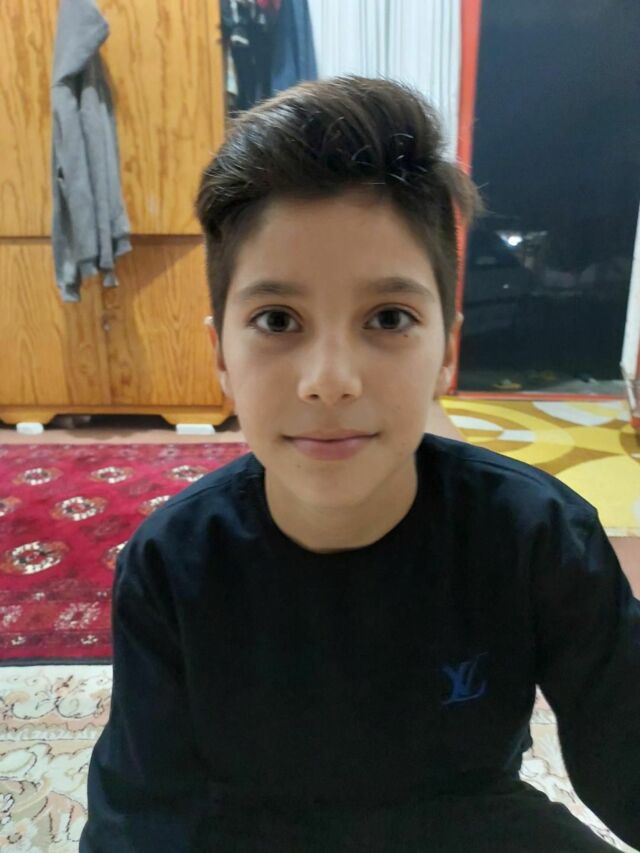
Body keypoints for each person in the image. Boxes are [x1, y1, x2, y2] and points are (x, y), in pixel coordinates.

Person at [79, 76, 640, 852]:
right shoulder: (174, 563)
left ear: (446, 349)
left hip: (468, 816)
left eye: (389, 317)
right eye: (278, 319)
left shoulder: (534, 532)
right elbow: (139, 818)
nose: (330, 379)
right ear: (220, 356)